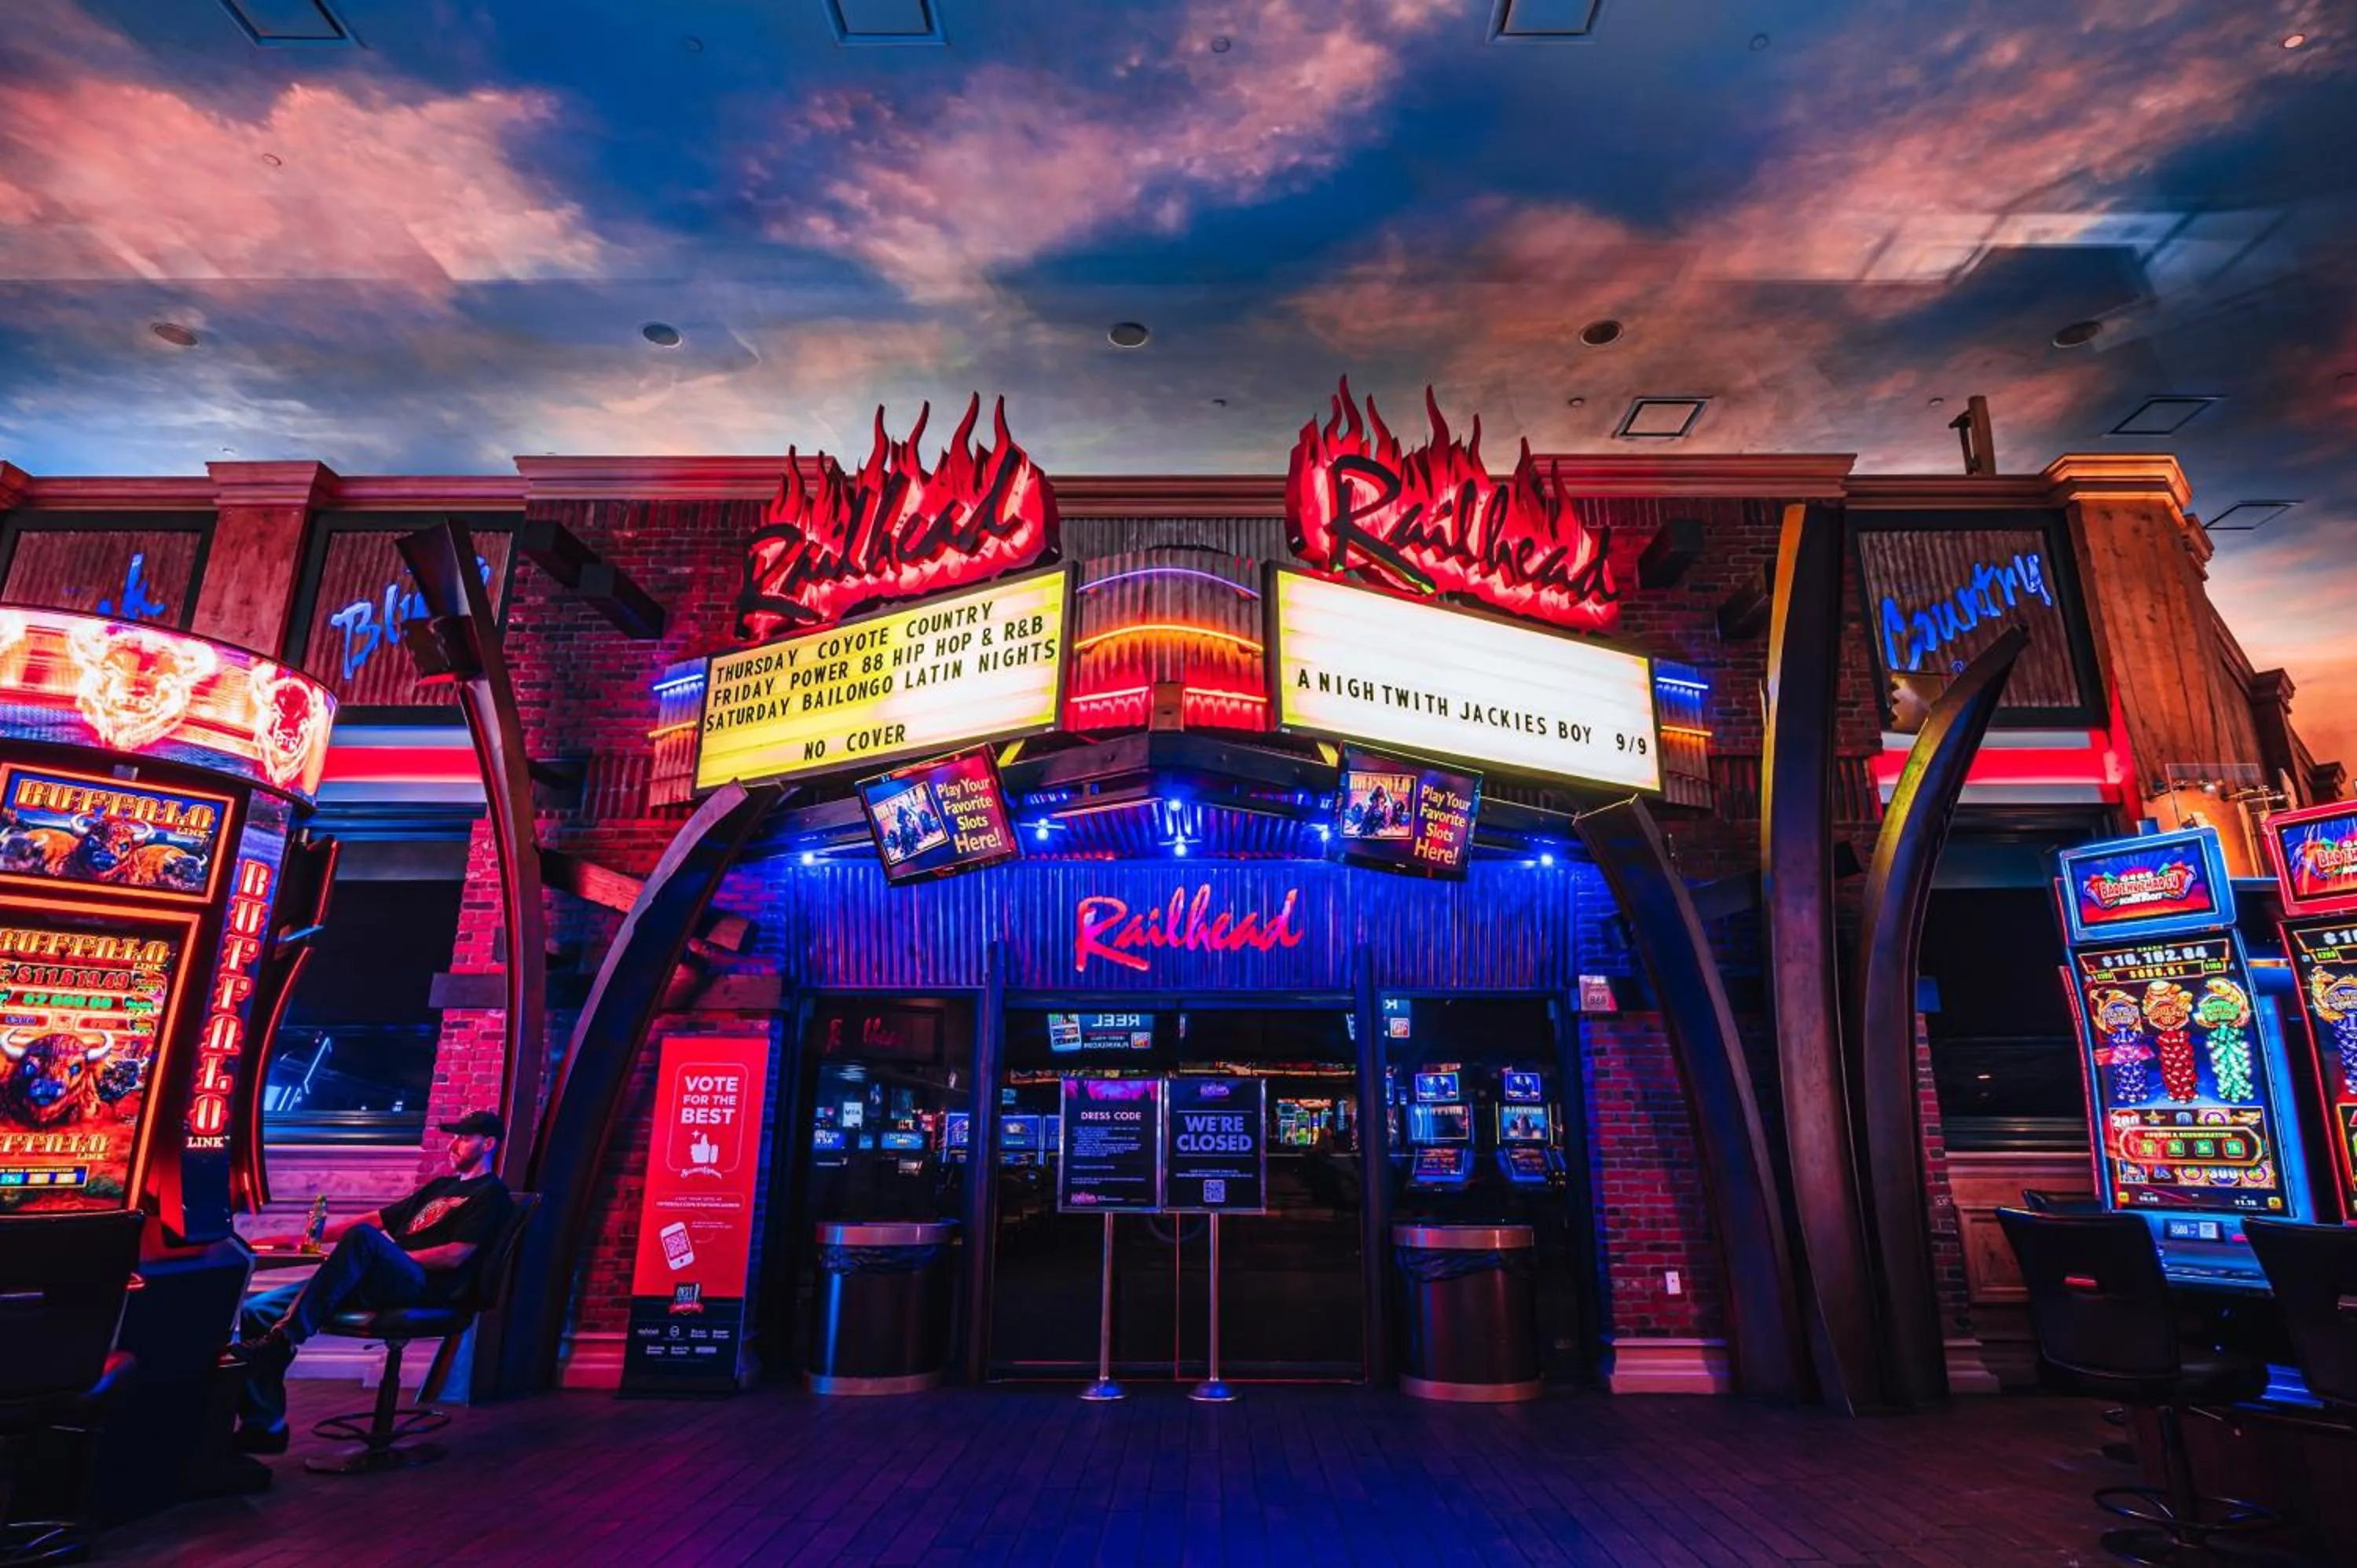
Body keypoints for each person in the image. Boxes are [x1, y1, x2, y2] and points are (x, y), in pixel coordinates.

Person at [231, 1110, 514, 1454]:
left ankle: (286, 1337)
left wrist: (385, 1259)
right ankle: (265, 1426)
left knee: (364, 1240)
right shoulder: (440, 1187)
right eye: (454, 1137)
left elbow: (455, 1255)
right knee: (255, 1311)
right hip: (381, 1277)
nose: (454, 1145)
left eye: (465, 1138)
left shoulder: (491, 1193)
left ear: (489, 1144)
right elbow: (375, 1219)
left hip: (424, 1286)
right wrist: (302, 1237)